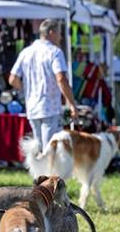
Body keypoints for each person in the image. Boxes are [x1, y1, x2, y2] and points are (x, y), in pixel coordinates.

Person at [9, 19, 79, 151]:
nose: (61, 37)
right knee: (50, 149)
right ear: (51, 33)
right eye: (59, 33)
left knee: (39, 148)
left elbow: (13, 79)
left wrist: (27, 90)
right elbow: (61, 79)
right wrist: (71, 104)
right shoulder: (55, 52)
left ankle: (40, 172)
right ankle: (48, 172)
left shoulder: (26, 52)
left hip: (32, 106)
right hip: (50, 106)